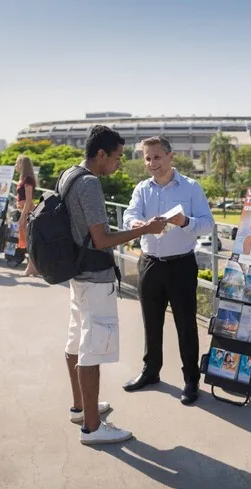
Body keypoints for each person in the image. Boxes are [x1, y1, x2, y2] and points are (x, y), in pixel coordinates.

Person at [60, 125, 167, 445]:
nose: (119, 163)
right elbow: (102, 238)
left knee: (75, 342)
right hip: (95, 277)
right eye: (117, 157)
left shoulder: (69, 174)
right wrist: (146, 229)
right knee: (91, 350)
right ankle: (92, 428)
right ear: (101, 153)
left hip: (76, 273)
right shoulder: (90, 183)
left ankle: (81, 407)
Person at [122, 136, 214, 405]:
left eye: (157, 157)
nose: (152, 163)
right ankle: (151, 372)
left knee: (186, 325)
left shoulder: (191, 187)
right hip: (149, 263)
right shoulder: (142, 188)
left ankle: (190, 380)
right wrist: (138, 222)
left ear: (170, 157)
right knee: (151, 323)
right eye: (147, 158)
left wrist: (185, 221)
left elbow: (208, 224)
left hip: (181, 264)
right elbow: (128, 215)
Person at [14, 155, 39, 276]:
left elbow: (28, 200)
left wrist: (23, 216)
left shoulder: (28, 179)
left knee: (29, 241)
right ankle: (33, 267)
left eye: (17, 163)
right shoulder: (24, 178)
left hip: (28, 212)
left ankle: (31, 267)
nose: (15, 166)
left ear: (22, 165)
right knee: (28, 240)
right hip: (24, 211)